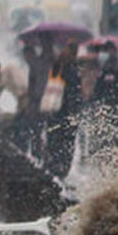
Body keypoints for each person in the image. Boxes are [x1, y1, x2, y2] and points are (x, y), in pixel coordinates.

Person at [44, 41, 83, 177]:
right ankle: (57, 173)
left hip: (58, 113)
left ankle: (57, 173)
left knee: (60, 146)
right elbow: (73, 95)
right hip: (60, 113)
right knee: (61, 146)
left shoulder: (66, 67)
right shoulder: (65, 68)